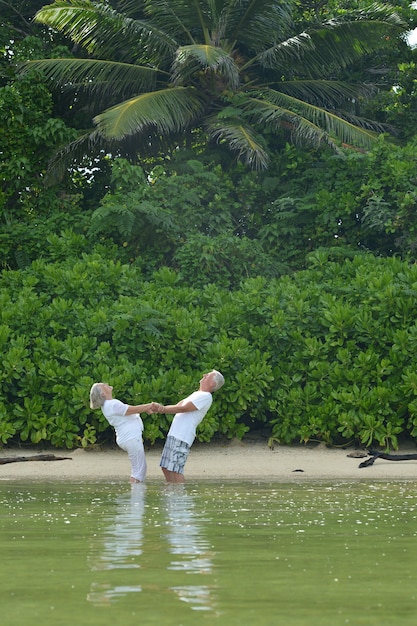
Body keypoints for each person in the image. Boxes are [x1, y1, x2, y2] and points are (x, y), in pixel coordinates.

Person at [158, 370, 225, 483]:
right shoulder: (197, 394)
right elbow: (178, 405)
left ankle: (180, 497)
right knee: (165, 467)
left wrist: (162, 409)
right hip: (175, 433)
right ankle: (171, 494)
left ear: (213, 384)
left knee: (176, 470)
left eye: (208, 375)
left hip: (183, 436)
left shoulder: (206, 396)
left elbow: (185, 408)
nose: (204, 375)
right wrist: (159, 408)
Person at [89, 382, 159, 483]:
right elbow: (130, 410)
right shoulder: (112, 404)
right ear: (102, 394)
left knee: (139, 468)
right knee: (139, 470)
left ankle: (136, 494)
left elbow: (129, 410)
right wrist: (150, 405)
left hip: (127, 437)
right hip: (130, 437)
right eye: (103, 385)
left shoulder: (109, 405)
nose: (106, 384)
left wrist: (146, 408)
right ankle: (136, 496)